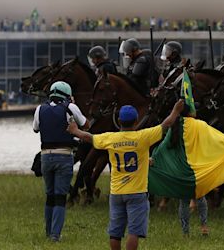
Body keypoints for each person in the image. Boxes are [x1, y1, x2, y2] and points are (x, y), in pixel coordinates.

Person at [68, 99, 185, 250]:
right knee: (134, 232)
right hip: (137, 192)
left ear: (119, 121)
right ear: (136, 121)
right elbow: (166, 125)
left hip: (117, 193)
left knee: (115, 233)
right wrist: (176, 110)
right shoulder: (143, 137)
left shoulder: (110, 138)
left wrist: (75, 130)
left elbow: (88, 137)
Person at [33, 81, 90, 242]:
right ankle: (55, 235)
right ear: (67, 94)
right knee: (59, 197)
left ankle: (48, 231)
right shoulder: (70, 107)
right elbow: (86, 124)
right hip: (64, 156)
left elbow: (35, 128)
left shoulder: (40, 108)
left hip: (45, 157)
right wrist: (74, 106)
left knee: (49, 196)